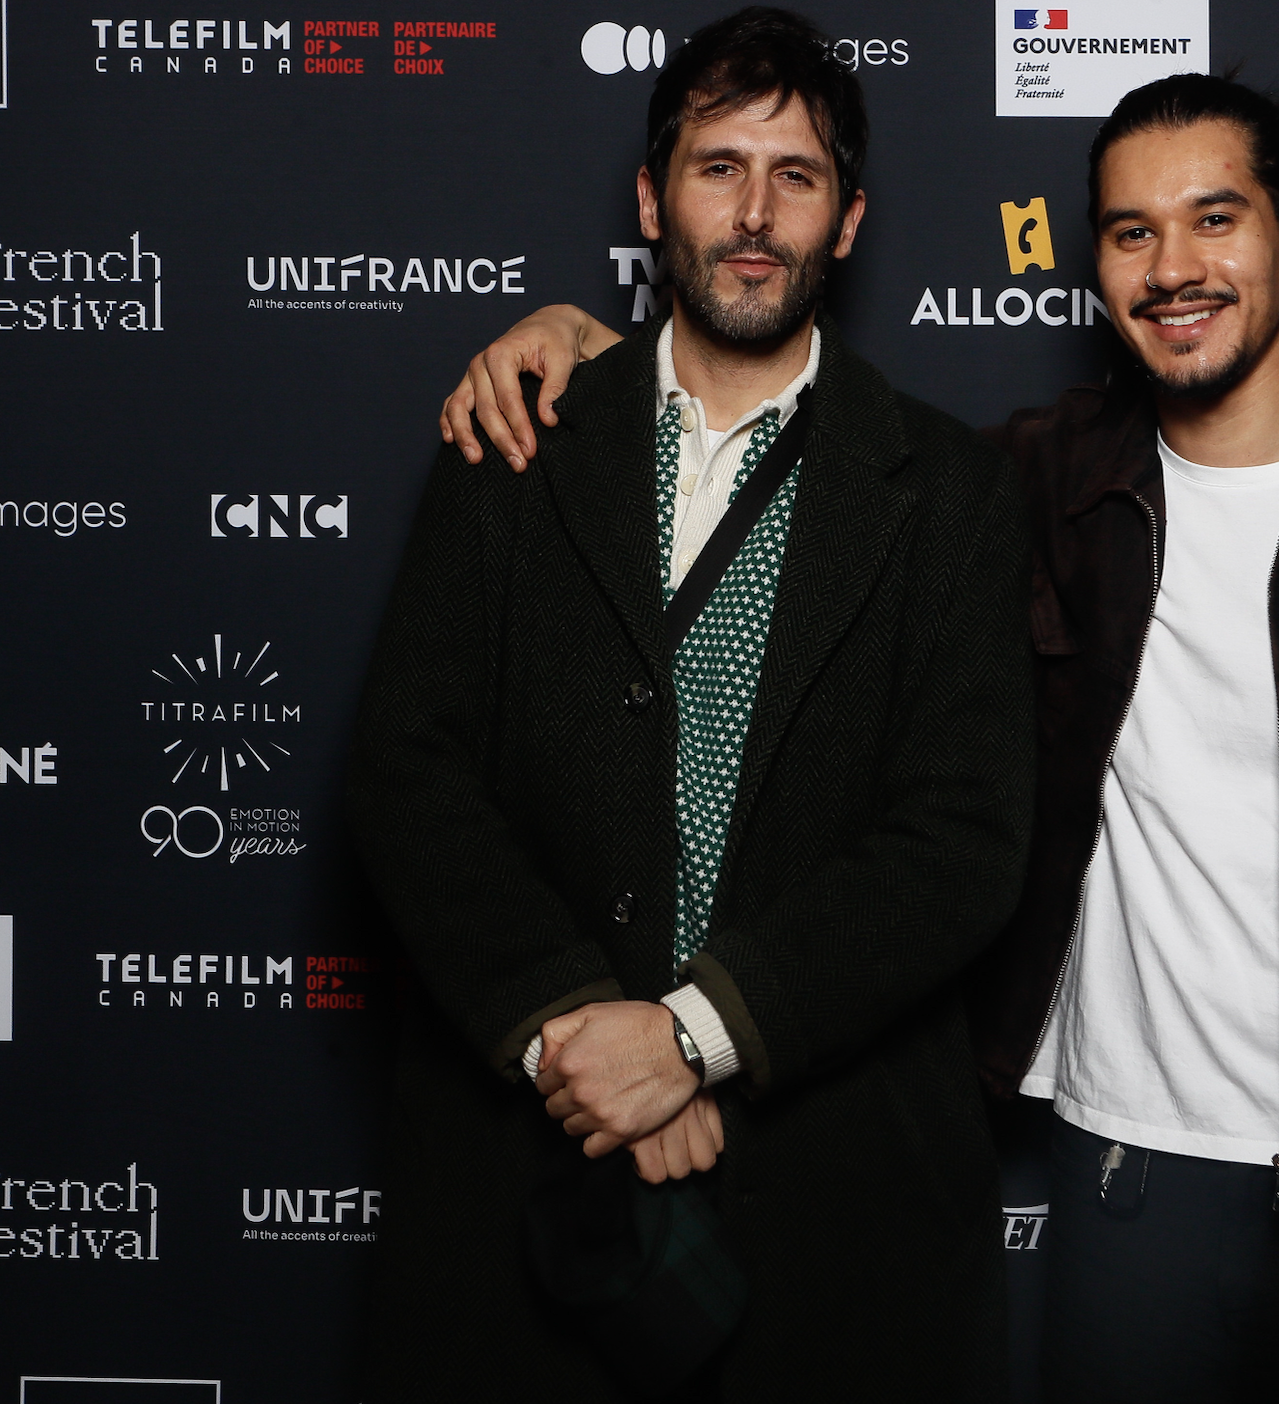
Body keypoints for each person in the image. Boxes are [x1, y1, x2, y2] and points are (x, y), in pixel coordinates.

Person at [441, 72, 1279, 1401]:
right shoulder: (1029, 485)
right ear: (1094, 267)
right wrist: (593, 347)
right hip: (1126, 1190)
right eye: (1130, 233)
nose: (1174, 268)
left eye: (1214, 220)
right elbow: (803, 452)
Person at [348, 10, 1032, 1401]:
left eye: (797, 176)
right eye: (720, 168)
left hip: (834, 1229)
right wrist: (570, 1035)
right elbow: (406, 771)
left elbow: (960, 841)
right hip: (523, 1206)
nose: (757, 213)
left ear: (848, 221)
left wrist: (689, 1040)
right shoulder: (518, 432)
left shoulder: (952, 493)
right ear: (655, 199)